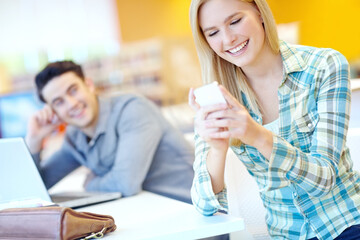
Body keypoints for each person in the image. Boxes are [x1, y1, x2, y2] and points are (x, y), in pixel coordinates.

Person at [188, 0, 360, 239]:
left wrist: (258, 136)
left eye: (235, 21)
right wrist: (216, 150)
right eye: (213, 33)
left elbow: (324, 179)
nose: (228, 40)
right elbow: (204, 206)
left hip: (346, 226)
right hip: (286, 234)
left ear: (259, 12)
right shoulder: (219, 97)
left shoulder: (324, 66)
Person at [25, 60, 194, 203]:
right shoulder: (75, 137)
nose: (71, 104)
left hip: (194, 216)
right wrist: (34, 142)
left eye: (73, 90)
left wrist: (90, 184)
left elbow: (125, 184)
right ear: (53, 111)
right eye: (59, 102)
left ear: (89, 85)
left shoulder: (132, 110)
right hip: (148, 212)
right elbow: (35, 187)